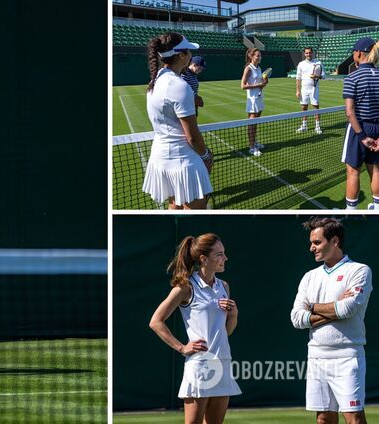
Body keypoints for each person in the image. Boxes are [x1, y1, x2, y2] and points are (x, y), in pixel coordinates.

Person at [149, 233, 241, 424]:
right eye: (220, 254)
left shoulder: (224, 286)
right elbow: (156, 321)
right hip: (200, 365)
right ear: (203, 259)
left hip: (223, 360)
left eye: (224, 253)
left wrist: (233, 314)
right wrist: (182, 348)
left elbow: (227, 331)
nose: (225, 258)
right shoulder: (186, 287)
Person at [290, 217, 372, 424]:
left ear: (334, 241)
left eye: (317, 243)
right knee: (324, 418)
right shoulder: (309, 276)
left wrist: (313, 307)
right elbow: (297, 318)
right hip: (317, 356)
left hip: (348, 356)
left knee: (354, 417)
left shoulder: (359, 270)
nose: (311, 248)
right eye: (311, 243)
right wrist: (333, 308)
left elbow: (347, 309)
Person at [142, 32, 213, 210]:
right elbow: (193, 137)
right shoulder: (180, 86)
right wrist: (206, 155)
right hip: (183, 161)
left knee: (174, 207)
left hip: (161, 158)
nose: (190, 55)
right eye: (188, 51)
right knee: (196, 211)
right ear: (181, 55)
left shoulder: (155, 80)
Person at [340, 37, 379, 210]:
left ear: (359, 53)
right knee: (376, 169)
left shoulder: (352, 77)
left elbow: (350, 112)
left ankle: (351, 210)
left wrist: (362, 136)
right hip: (377, 128)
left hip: (359, 129)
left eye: (354, 51)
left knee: (353, 171)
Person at [240, 48, 268, 157]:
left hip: (259, 97)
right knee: (251, 124)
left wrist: (264, 82)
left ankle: (254, 142)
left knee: (255, 123)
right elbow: (243, 86)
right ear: (251, 57)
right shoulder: (248, 68)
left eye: (260, 55)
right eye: (257, 55)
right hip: (252, 99)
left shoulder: (259, 67)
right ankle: (252, 147)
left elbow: (260, 82)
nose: (260, 57)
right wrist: (258, 85)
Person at [295, 47, 325, 134]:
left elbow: (323, 76)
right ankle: (304, 126)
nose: (308, 54)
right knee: (304, 107)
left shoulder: (318, 63)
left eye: (310, 53)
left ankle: (317, 126)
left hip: (314, 89)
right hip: (304, 89)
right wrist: (297, 90)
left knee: (316, 107)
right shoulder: (301, 64)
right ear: (304, 54)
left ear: (312, 53)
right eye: (307, 53)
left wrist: (316, 76)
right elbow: (298, 78)